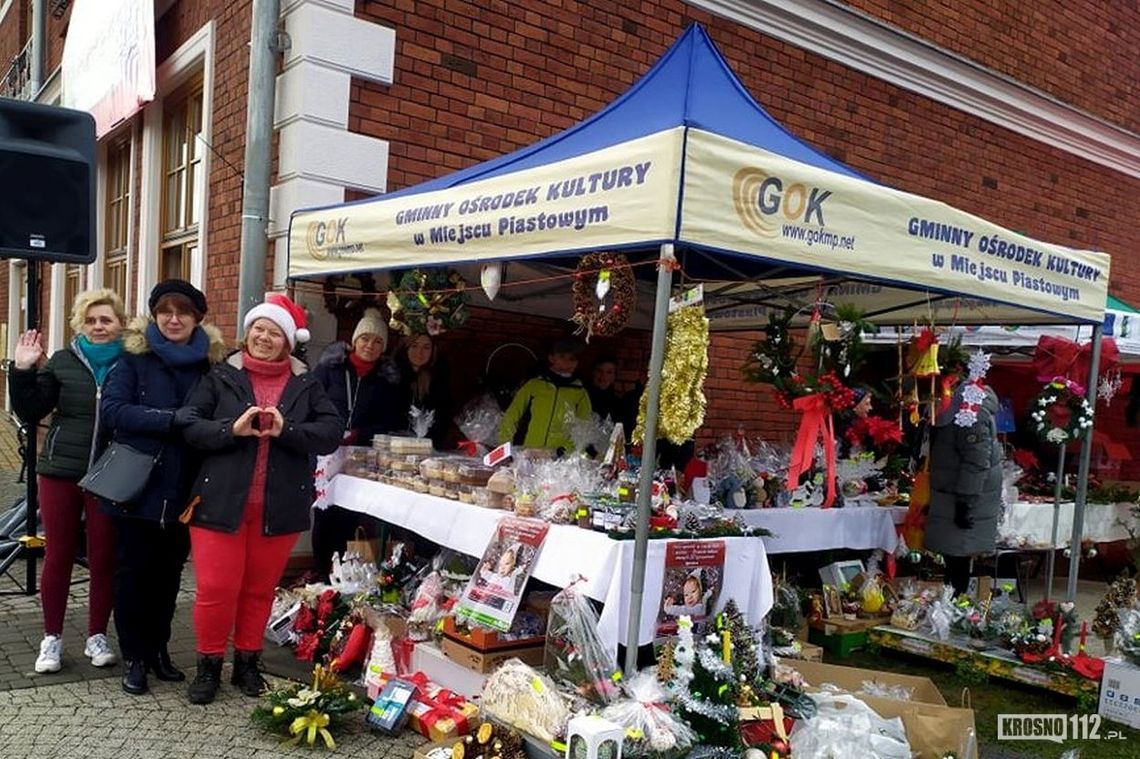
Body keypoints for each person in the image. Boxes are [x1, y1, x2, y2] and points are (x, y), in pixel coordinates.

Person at [181, 294, 342, 705]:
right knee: (216, 589)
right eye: (259, 329)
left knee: (258, 591)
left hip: (279, 507)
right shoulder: (221, 376)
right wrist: (230, 429)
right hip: (219, 503)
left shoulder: (306, 384)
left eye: (274, 332)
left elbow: (329, 432)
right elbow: (189, 426)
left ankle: (248, 663)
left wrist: (288, 430)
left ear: (288, 342)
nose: (264, 338)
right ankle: (209, 666)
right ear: (247, 332)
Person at [100, 279, 225, 695]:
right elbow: (114, 411)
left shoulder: (209, 366)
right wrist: (170, 420)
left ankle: (159, 650)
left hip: (186, 487)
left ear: (197, 319)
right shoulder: (133, 359)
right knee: (133, 575)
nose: (174, 319)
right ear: (155, 316)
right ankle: (134, 656)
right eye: (166, 312)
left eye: (183, 312)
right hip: (138, 485)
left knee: (169, 576)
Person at [9, 289, 127, 674]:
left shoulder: (133, 363)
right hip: (60, 469)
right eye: (91, 320)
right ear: (80, 324)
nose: (98, 327)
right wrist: (23, 369)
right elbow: (30, 409)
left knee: (104, 556)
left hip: (110, 472)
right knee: (58, 554)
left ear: (120, 324)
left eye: (106, 320)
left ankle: (97, 636)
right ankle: (51, 639)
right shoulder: (62, 361)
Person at [310, 307, 401, 579]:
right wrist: (327, 429)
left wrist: (360, 434)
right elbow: (311, 401)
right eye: (365, 339)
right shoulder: (331, 368)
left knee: (349, 514)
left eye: (377, 342)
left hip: (358, 456)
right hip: (325, 451)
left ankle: (340, 574)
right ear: (355, 340)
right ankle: (319, 570)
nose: (369, 346)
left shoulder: (385, 380)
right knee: (324, 512)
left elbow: (388, 422)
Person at [925, 381, 1004, 595]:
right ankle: (952, 609)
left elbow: (976, 461)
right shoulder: (961, 409)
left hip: (964, 497)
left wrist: (965, 503)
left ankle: (954, 612)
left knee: (958, 559)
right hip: (955, 494)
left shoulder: (970, 414)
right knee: (954, 560)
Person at [498, 337, 592, 454]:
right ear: (551, 358)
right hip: (529, 453)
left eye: (572, 359)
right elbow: (511, 416)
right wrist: (504, 448)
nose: (567, 362)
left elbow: (584, 429)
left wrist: (563, 451)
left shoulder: (580, 393)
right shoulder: (535, 385)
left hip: (559, 459)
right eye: (562, 357)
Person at [396, 332, 451, 448]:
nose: (420, 352)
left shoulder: (437, 380)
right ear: (406, 347)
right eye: (414, 346)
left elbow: (443, 418)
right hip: (393, 444)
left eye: (426, 347)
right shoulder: (391, 376)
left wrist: (428, 442)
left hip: (426, 448)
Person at [585, 355, 623, 424]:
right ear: (593, 372)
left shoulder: (618, 404)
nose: (603, 376)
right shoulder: (583, 396)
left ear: (614, 376)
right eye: (599, 371)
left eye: (609, 372)